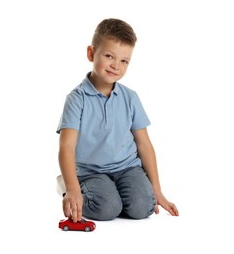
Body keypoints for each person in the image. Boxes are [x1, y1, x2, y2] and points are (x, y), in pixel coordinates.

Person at [56, 18, 179, 222]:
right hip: (91, 172)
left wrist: (157, 190)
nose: (116, 66)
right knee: (107, 209)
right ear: (91, 53)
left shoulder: (130, 97)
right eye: (109, 56)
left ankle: (116, 195)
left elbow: (144, 144)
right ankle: (70, 185)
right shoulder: (76, 99)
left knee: (143, 207)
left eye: (124, 61)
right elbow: (66, 146)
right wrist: (72, 189)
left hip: (128, 168)